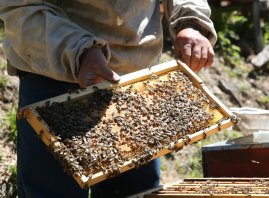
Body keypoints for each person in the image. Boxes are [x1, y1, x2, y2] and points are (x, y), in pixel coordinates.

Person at [0, 0, 217, 197]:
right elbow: (19, 7)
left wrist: (191, 21)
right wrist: (78, 51)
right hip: (54, 75)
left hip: (137, 81)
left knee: (136, 191)